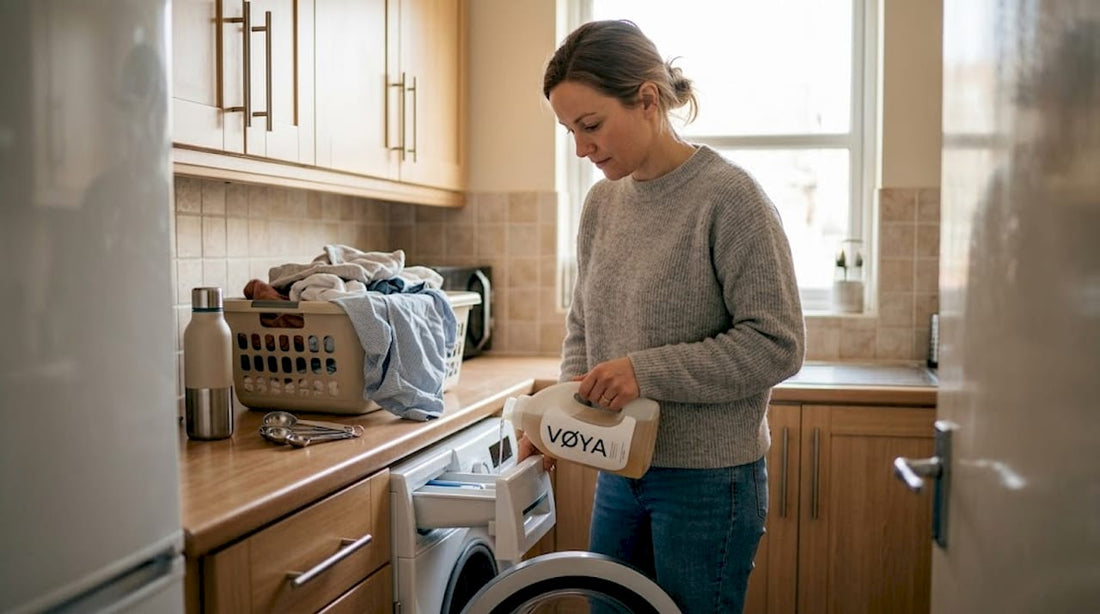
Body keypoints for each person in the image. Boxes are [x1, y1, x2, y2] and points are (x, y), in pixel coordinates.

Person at [520, 19, 805, 613]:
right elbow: (584, 327)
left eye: (591, 125)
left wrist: (644, 373)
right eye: (570, 131)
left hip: (710, 482)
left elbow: (777, 344)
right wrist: (556, 419)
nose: (581, 148)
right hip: (619, 469)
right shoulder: (602, 203)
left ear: (648, 100)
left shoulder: (730, 197)